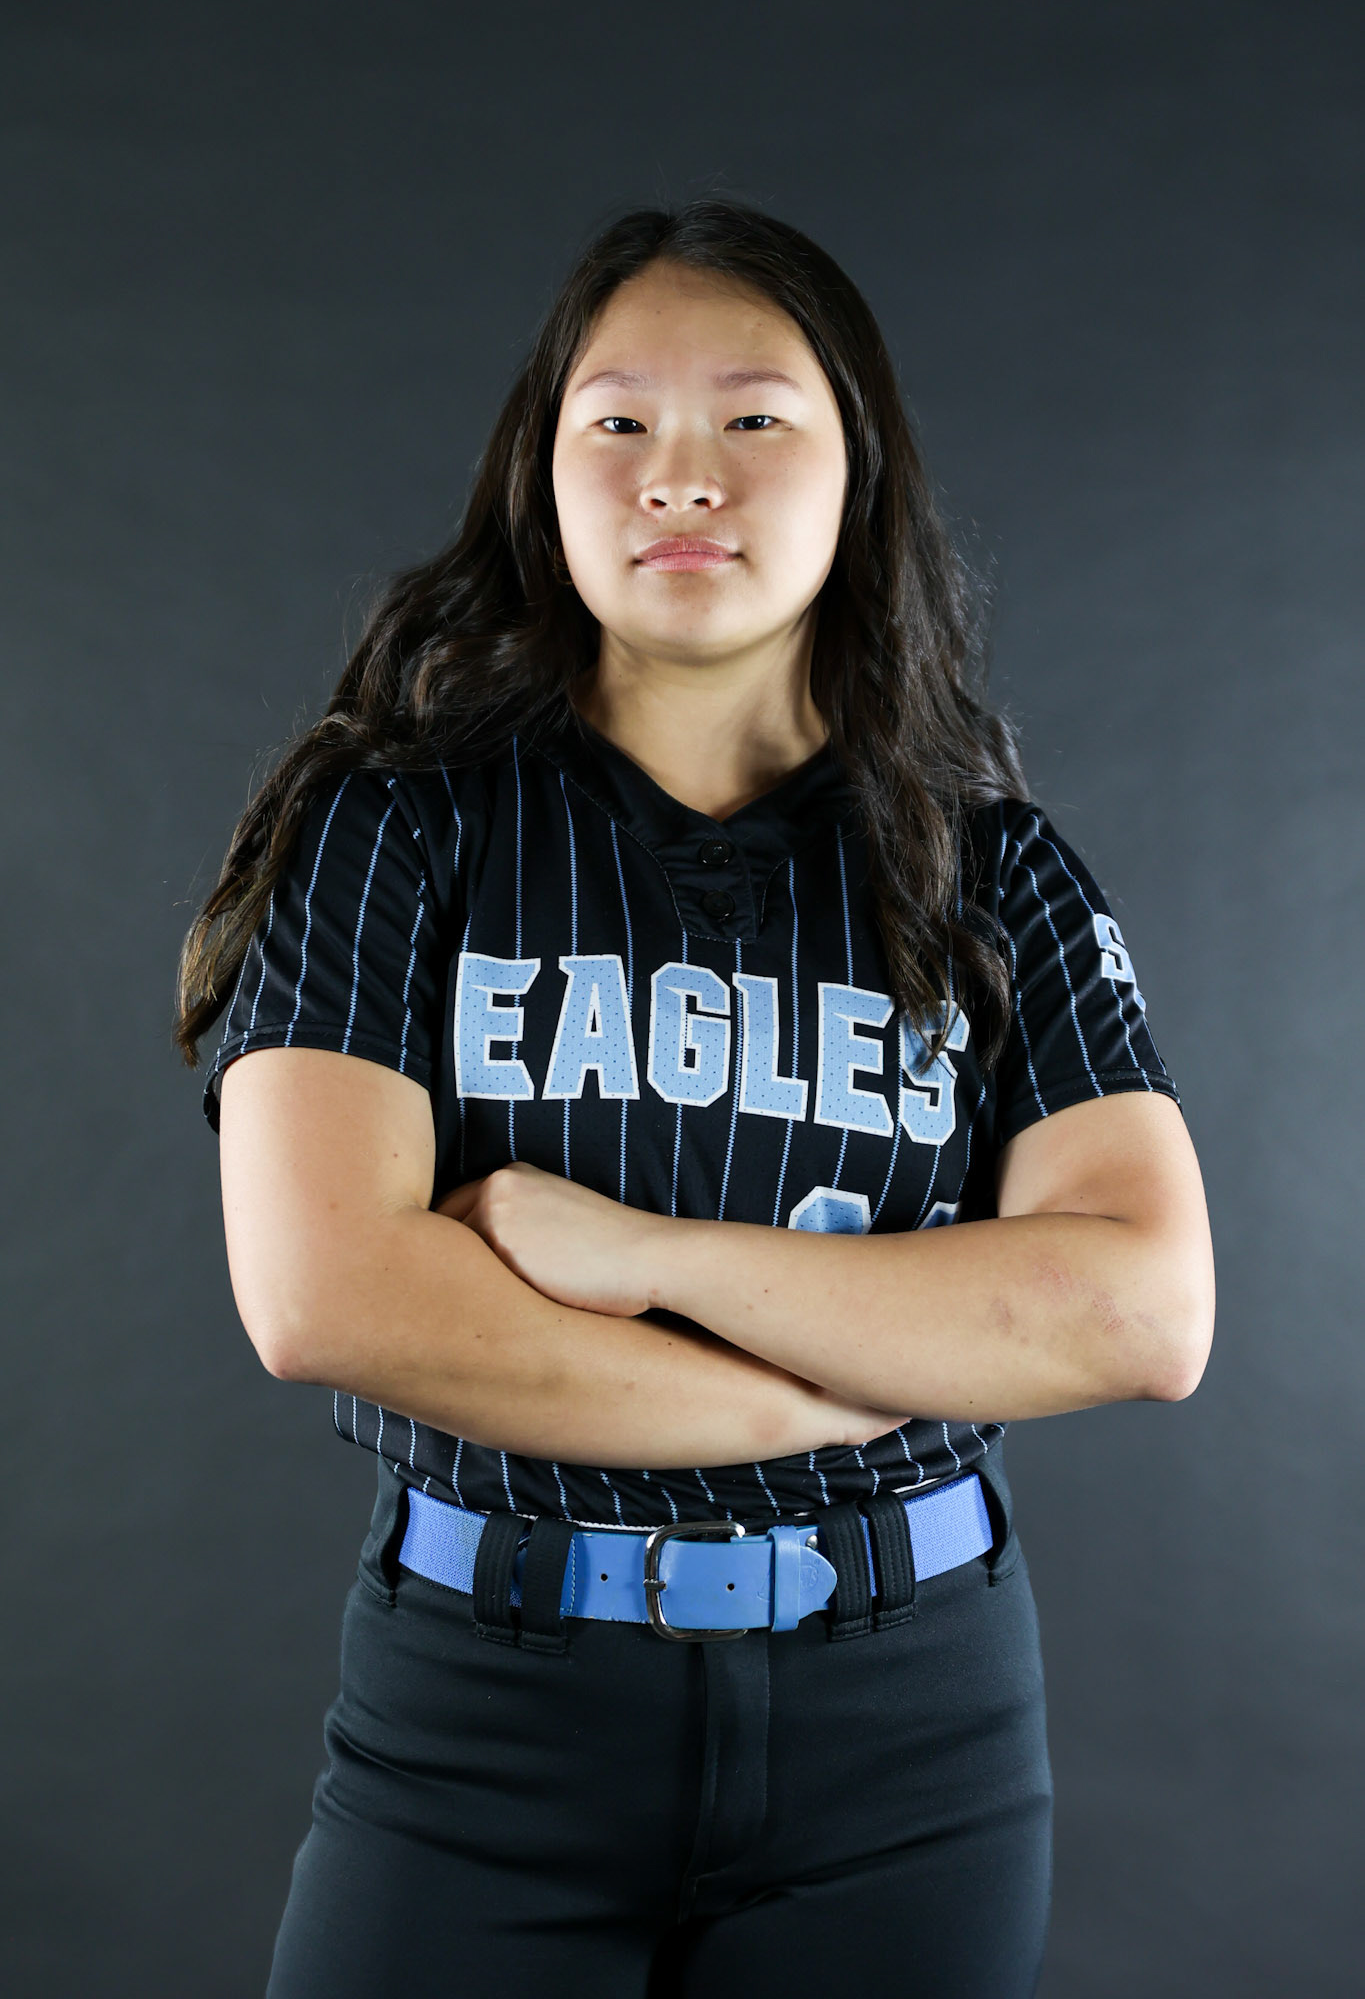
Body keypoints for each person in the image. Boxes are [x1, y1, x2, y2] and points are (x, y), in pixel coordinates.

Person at [174, 197, 1215, 1997]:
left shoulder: (992, 874)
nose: (680, 474)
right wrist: (836, 1392)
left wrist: (633, 1249)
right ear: (541, 470)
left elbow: (1138, 1304)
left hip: (910, 1729)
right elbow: (326, 1292)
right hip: (487, 1707)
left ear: (856, 473)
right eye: (618, 421)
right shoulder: (399, 827)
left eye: (752, 417)